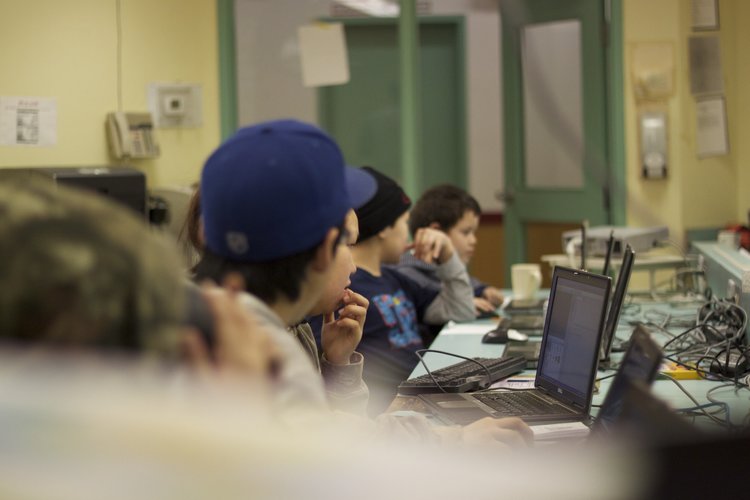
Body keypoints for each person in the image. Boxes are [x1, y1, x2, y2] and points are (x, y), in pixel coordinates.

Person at [194, 119, 531, 445]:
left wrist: (338, 364)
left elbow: (332, 433)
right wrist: (458, 440)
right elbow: (350, 458)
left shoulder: (258, 322)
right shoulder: (259, 355)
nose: (354, 264)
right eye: (350, 244)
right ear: (326, 249)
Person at [348, 167, 476, 415]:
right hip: (391, 411)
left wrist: (449, 257)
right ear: (385, 228)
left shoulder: (395, 278)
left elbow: (461, 311)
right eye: (404, 222)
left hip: (425, 396)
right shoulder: (348, 286)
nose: (408, 232)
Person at [397, 184, 504, 316]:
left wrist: (483, 289)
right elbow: (436, 292)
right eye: (466, 233)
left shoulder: (436, 266)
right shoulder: (408, 274)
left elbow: (468, 280)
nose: (473, 240)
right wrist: (465, 301)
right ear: (436, 231)